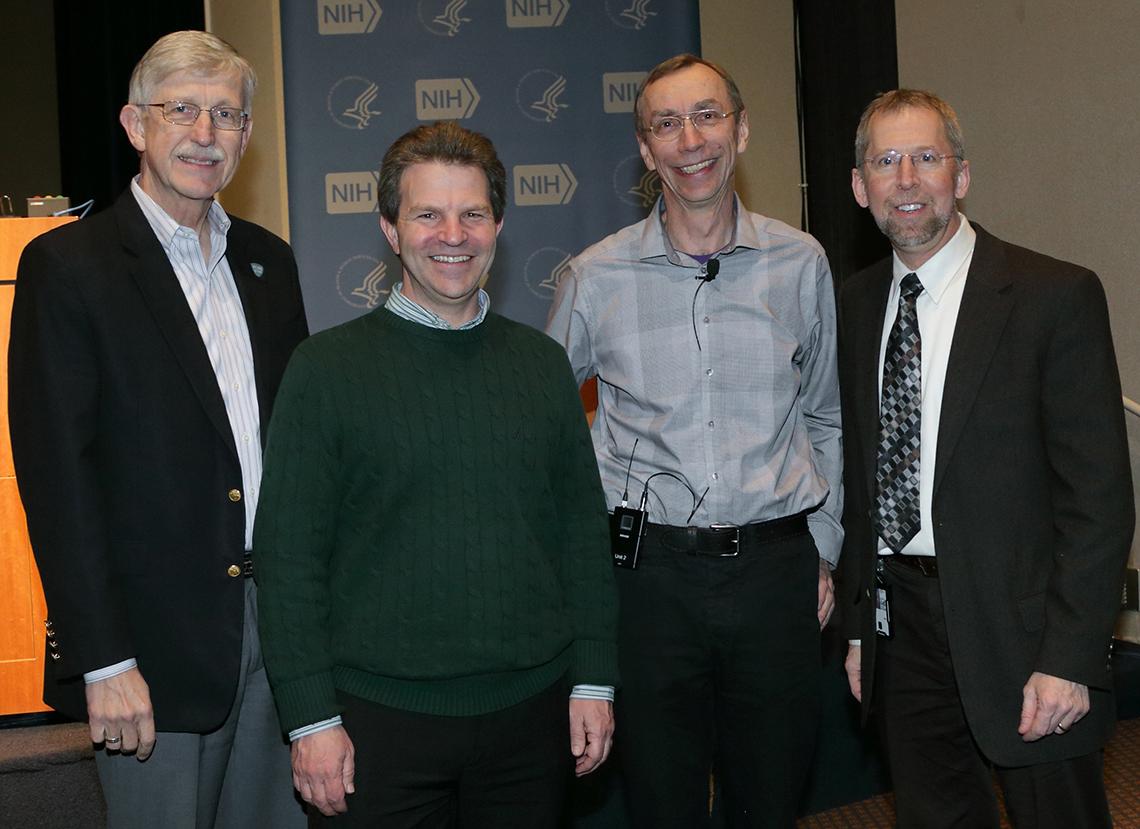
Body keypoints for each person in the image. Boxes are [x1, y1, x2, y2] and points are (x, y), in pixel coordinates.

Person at [254, 120, 619, 827]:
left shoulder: (542, 366)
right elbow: (288, 560)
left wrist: (595, 677)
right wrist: (309, 719)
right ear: (391, 229)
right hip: (375, 728)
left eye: (471, 214)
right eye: (427, 214)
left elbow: (580, 537)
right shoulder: (325, 371)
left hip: (531, 720)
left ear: (498, 225)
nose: (452, 234)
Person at [7, 30, 309, 829]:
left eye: (226, 115)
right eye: (182, 110)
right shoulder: (68, 268)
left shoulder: (270, 264)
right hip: (149, 654)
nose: (206, 134)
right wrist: (104, 657)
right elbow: (57, 479)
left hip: (275, 642)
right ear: (136, 125)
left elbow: (298, 454)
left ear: (247, 136)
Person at [545, 54, 842, 828]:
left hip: (777, 569)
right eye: (666, 124)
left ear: (740, 130)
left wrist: (824, 544)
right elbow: (544, 430)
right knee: (661, 802)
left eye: (708, 115)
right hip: (649, 581)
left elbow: (826, 417)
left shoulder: (802, 262)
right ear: (646, 150)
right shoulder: (593, 276)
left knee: (771, 799)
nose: (690, 139)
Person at [838, 88, 1134, 828]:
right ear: (859, 186)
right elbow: (857, 477)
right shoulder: (850, 303)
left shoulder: (1052, 295)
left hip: (1027, 635)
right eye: (886, 161)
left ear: (961, 176)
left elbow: (1098, 498)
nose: (906, 180)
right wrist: (856, 625)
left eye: (927, 158)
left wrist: (1071, 655)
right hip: (900, 631)